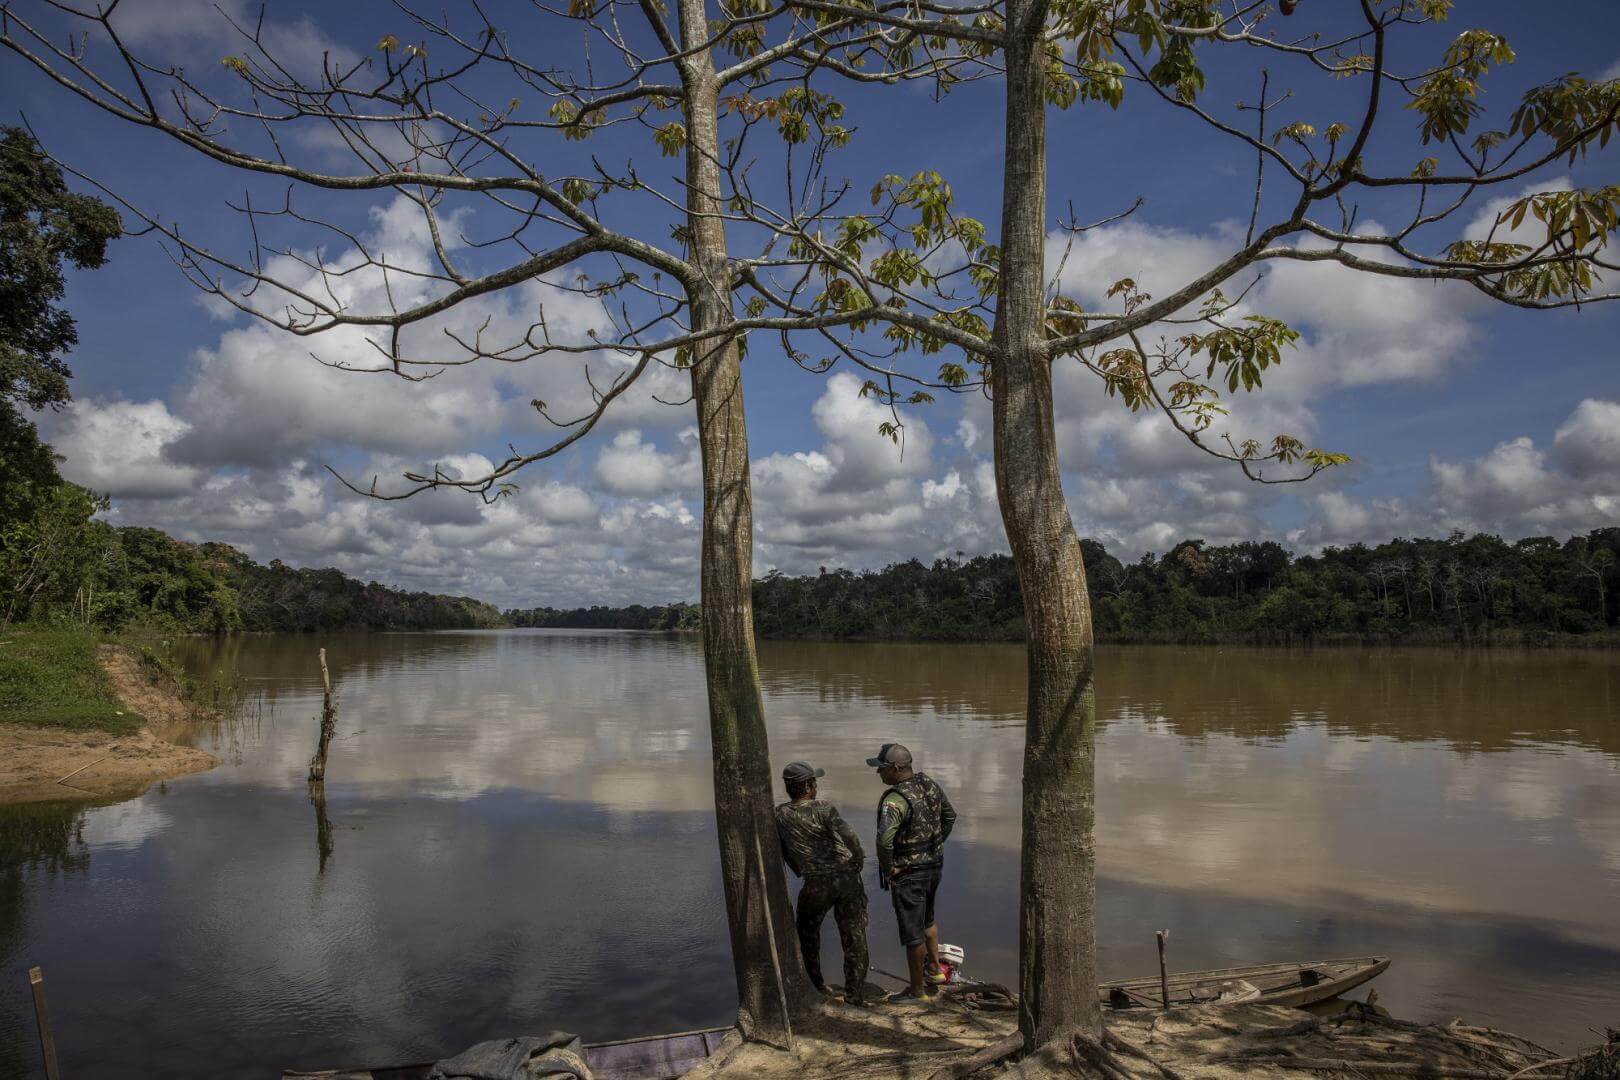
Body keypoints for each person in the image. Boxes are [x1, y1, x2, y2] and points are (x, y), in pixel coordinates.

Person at [773, 760, 874, 1006]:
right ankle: (854, 994)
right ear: (807, 786)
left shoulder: (779, 814)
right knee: (854, 937)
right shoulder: (824, 809)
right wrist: (858, 857)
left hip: (815, 883)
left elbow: (783, 850)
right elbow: (848, 834)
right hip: (845, 879)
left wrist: (799, 869)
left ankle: (815, 986)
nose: (816, 786)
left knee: (807, 935)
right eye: (814, 782)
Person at [867, 742, 956, 1001]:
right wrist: (934, 845)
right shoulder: (930, 785)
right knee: (928, 920)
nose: (878, 773)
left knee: (912, 933)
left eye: (881, 768)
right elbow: (950, 817)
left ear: (895, 768)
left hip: (909, 873)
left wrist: (889, 868)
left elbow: (884, 841)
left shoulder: (895, 800)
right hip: (934, 866)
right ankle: (935, 971)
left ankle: (917, 992)